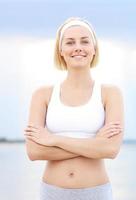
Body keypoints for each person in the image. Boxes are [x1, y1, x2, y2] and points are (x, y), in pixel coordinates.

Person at [24, 17, 124, 200]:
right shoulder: (43, 94)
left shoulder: (110, 93)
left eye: (85, 41)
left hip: (96, 193)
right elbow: (34, 152)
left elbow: (110, 149)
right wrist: (95, 144)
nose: (78, 47)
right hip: (52, 192)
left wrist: (52, 139)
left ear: (94, 49)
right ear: (61, 51)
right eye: (70, 42)